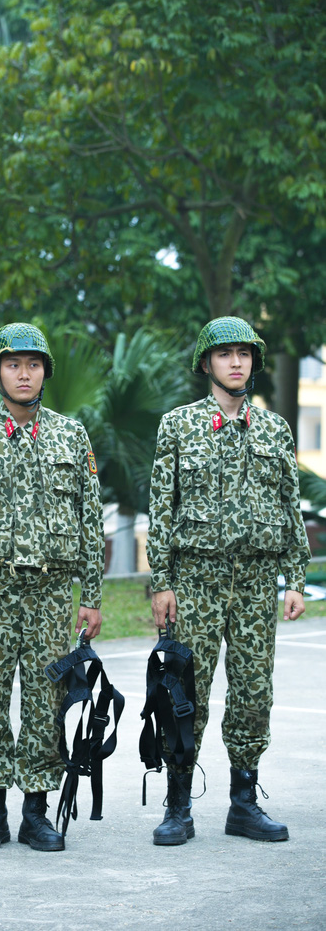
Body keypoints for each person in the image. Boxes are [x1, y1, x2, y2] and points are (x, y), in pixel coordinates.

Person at [146, 317, 310, 846]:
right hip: (195, 580)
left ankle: (244, 802)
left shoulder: (274, 429)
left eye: (244, 354)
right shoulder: (178, 425)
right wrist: (162, 581)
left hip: (257, 581)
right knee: (185, 693)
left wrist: (295, 578)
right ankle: (178, 806)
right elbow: (161, 507)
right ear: (206, 363)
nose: (236, 362)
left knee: (254, 692)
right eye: (224, 354)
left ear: (254, 362)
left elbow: (289, 505)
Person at [0, 322, 105, 853]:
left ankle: (36, 810)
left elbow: (89, 520)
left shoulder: (71, 435)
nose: (24, 373)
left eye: (33, 364)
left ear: (45, 372)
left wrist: (92, 597)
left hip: (52, 594)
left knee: (45, 701)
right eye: (13, 364)